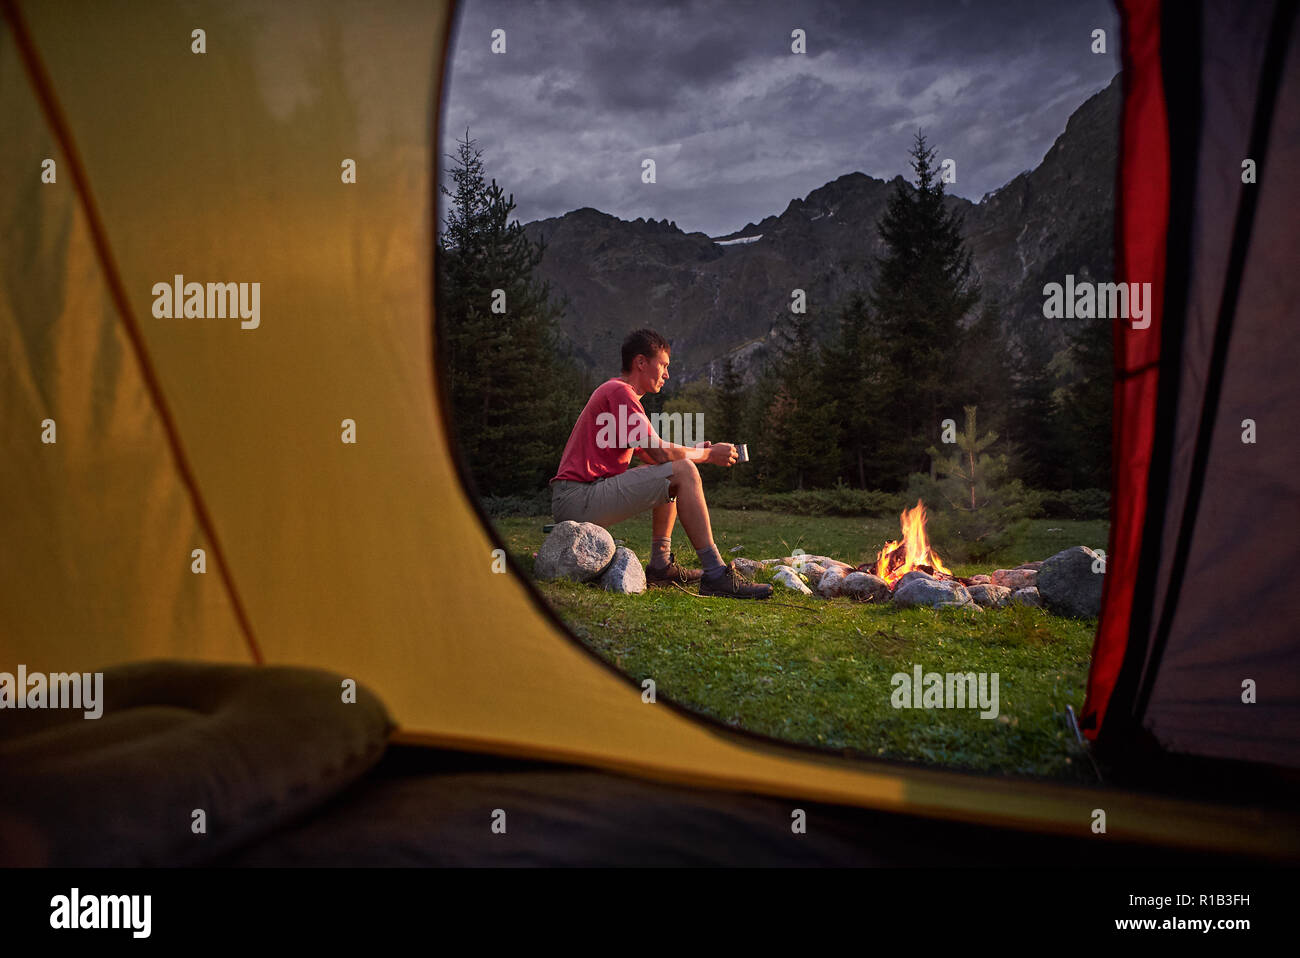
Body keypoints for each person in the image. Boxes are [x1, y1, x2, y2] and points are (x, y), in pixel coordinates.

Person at [549, 329, 772, 599]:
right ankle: (715, 573)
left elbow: (655, 457)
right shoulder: (620, 392)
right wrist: (709, 456)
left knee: (671, 475)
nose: (667, 374)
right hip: (577, 498)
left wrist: (699, 451)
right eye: (663, 365)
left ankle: (660, 567)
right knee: (682, 471)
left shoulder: (617, 395)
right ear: (641, 362)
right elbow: (664, 455)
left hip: (580, 496)